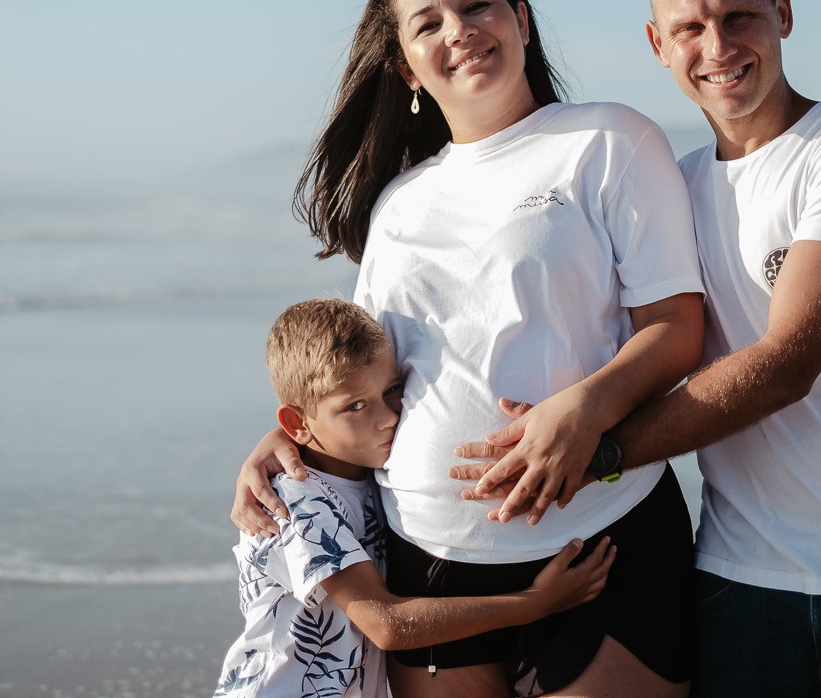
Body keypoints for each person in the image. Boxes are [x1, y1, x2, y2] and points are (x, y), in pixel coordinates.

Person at [456, 0, 821, 697]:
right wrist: (306, 446)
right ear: (657, 43)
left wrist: (596, 453)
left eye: (738, 16)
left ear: (781, 11)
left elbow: (785, 367)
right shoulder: (670, 190)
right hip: (740, 588)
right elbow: (576, 330)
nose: (717, 45)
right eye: (689, 27)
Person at [231, 0, 705, 698]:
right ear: (405, 68)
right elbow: (369, 367)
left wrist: (586, 409)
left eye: (476, 4)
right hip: (427, 556)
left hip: (598, 533)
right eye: (426, 24)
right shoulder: (399, 202)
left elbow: (677, 325)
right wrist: (290, 440)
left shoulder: (608, 140)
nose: (457, 28)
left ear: (520, 20)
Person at [214, 298, 616, 697]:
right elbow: (385, 624)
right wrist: (533, 603)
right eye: (356, 406)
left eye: (392, 390)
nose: (388, 417)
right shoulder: (295, 502)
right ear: (297, 423)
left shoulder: (362, 472)